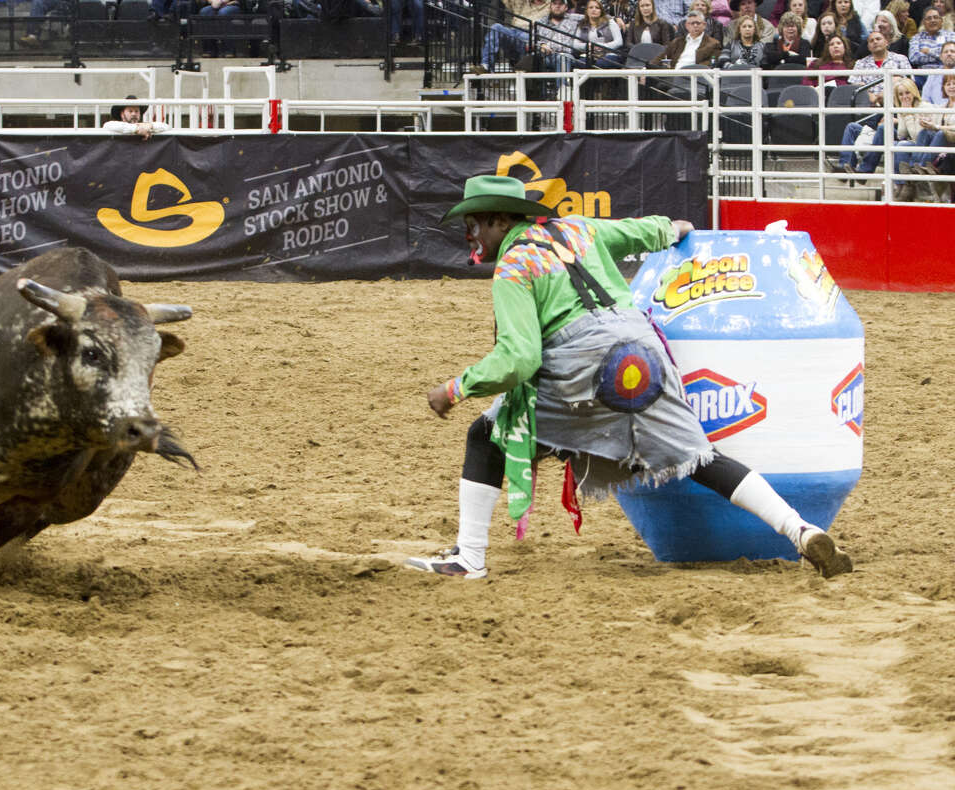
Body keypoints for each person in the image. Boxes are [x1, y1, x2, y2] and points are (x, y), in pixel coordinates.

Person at [406, 174, 851, 581]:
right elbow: (655, 230)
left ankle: (470, 557)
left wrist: (456, 387)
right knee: (700, 456)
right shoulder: (580, 229)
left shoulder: (514, 270)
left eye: (476, 224)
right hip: (641, 352)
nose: (470, 235)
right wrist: (676, 229)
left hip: (578, 365)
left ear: (502, 222)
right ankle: (799, 528)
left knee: (486, 436)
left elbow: (519, 358)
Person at [902, 72, 955, 199]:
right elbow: (902, 134)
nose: (951, 87)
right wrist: (929, 124)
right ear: (944, 88)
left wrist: (936, 127)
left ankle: (923, 165)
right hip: (942, 142)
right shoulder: (941, 107)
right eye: (948, 84)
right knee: (925, 132)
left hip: (952, 141)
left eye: (954, 84)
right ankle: (916, 167)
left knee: (941, 132)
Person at [473, 0, 559, 73]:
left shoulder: (550, 4)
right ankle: (486, 65)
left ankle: (522, 68)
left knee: (528, 38)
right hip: (513, 32)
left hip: (531, 34)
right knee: (496, 27)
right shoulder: (521, 2)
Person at [851, 28, 913, 102]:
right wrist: (872, 97)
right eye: (871, 41)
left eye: (878, 39)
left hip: (896, 102)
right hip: (869, 104)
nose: (875, 42)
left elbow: (909, 82)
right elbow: (855, 85)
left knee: (897, 79)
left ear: (886, 42)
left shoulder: (900, 59)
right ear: (868, 47)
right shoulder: (860, 63)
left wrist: (885, 93)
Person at [909, 6, 955, 85]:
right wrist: (941, 54)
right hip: (923, 75)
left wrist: (928, 51)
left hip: (946, 73)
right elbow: (914, 57)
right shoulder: (917, 38)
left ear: (941, 20)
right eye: (929, 18)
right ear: (924, 22)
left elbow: (952, 57)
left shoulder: (951, 36)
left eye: (935, 17)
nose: (932, 20)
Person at [572, 0, 625, 68]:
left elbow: (619, 42)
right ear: (587, 11)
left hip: (609, 54)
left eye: (597, 8)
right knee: (580, 63)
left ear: (601, 11)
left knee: (600, 64)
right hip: (590, 55)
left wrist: (603, 46)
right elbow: (575, 44)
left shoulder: (610, 22)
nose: (594, 10)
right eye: (591, 7)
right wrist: (588, 46)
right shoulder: (582, 24)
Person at [103, 96, 172, 139]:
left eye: (136, 111)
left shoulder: (145, 126)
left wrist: (150, 126)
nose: (134, 114)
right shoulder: (115, 125)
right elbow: (107, 125)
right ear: (122, 114)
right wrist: (137, 129)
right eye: (130, 111)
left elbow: (166, 126)